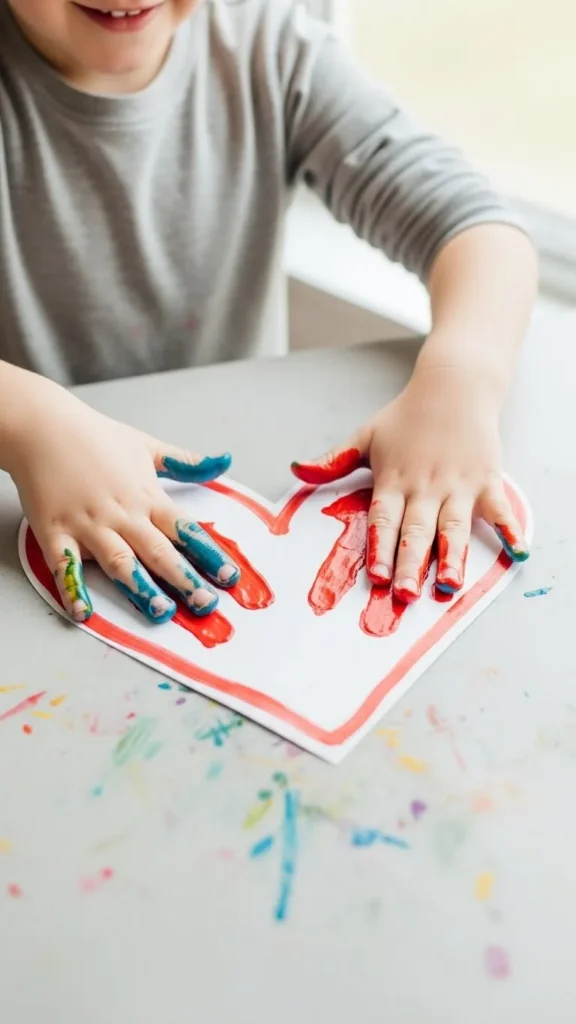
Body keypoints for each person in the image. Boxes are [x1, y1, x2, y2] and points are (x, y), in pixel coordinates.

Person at [0, 0, 537, 625]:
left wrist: (459, 380)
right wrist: (25, 422)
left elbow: (477, 227)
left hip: (243, 492)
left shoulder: (271, 50)